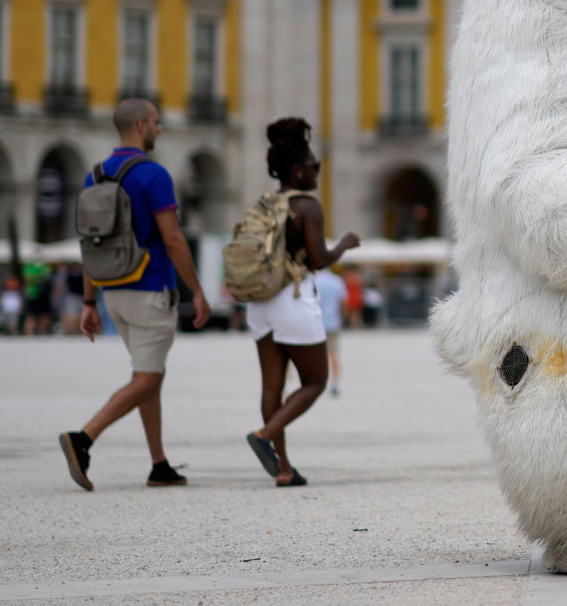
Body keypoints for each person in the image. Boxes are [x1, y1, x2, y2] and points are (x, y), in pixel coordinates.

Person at [58, 98, 211, 491]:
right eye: (157, 123)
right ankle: (83, 439)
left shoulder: (94, 176)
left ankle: (158, 464)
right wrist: (197, 290)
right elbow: (174, 239)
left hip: (112, 292)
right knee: (146, 379)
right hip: (149, 289)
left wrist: (90, 301)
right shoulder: (153, 175)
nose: (160, 129)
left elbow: (91, 242)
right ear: (141, 126)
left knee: (149, 375)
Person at [244, 118, 359, 487]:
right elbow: (319, 260)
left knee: (271, 386)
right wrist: (344, 244)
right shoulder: (307, 206)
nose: (317, 173)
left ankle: (283, 469)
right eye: (314, 167)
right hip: (291, 298)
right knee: (315, 380)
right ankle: (264, 435)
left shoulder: (266, 203)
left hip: (259, 301)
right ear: (297, 169)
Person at [314, 266, 347, 396]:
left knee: (313, 355)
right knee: (333, 354)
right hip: (333, 322)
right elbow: (343, 301)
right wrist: (343, 317)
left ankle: (314, 383)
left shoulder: (313, 280)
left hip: (315, 322)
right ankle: (335, 383)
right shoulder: (337, 281)